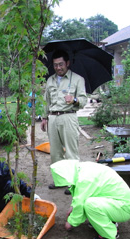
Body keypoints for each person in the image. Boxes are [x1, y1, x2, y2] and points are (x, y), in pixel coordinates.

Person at [51, 160, 130, 239]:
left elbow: (80, 202)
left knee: (90, 204)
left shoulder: (84, 180)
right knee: (90, 203)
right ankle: (108, 220)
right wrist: (73, 206)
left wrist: (71, 222)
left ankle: (109, 234)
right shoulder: (82, 169)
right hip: (118, 202)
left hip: (124, 208)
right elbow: (80, 194)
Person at [40, 49, 87, 193]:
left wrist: (74, 99)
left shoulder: (78, 79)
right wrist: (44, 117)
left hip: (69, 116)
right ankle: (60, 181)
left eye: (61, 64)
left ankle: (73, 183)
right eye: (55, 65)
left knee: (71, 152)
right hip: (53, 118)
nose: (58, 68)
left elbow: (84, 100)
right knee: (55, 152)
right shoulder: (50, 80)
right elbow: (46, 100)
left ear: (67, 63)